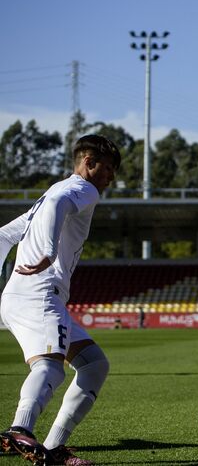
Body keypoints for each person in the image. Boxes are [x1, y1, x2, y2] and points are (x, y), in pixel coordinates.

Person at [0, 134, 120, 466]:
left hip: (24, 293)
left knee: (94, 365)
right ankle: (19, 428)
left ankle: (53, 450)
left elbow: (5, 234)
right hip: (39, 293)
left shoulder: (53, 190)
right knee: (50, 365)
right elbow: (57, 207)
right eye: (107, 168)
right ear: (88, 163)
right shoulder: (82, 189)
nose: (111, 177)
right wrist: (49, 252)